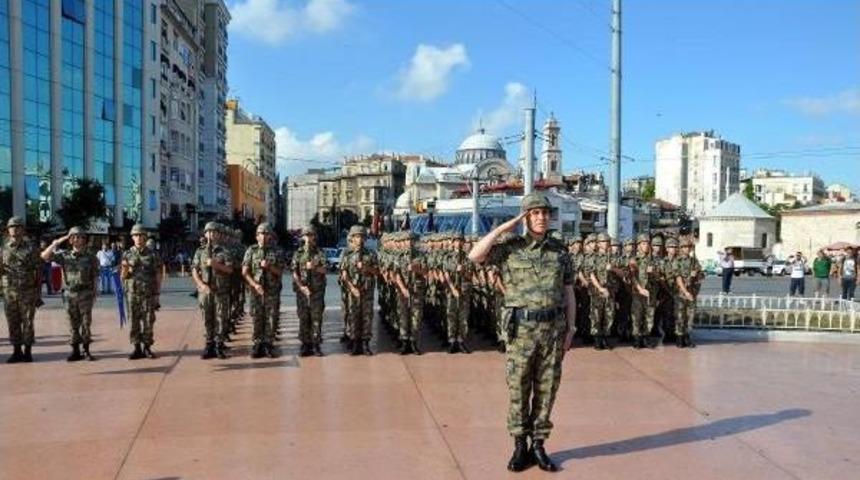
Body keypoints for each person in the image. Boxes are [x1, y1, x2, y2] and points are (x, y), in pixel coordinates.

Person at [469, 192, 575, 473]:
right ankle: (519, 446)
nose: (541, 217)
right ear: (526, 217)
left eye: (544, 213)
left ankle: (538, 445)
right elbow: (475, 255)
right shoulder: (510, 247)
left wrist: (571, 329)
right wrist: (506, 227)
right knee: (518, 389)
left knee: (547, 390)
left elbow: (568, 292)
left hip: (553, 330)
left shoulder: (559, 251)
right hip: (521, 331)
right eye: (534, 213)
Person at [41, 228, 100, 361]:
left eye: (80, 237)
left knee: (86, 323)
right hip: (69, 294)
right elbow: (44, 256)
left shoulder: (91, 257)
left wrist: (95, 292)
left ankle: (86, 350)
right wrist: (57, 241)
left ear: (84, 239)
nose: (77, 239)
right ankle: (75, 351)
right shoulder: (64, 255)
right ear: (70, 240)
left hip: (85, 293)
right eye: (74, 237)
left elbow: (95, 276)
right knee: (72, 323)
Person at [1, 216, 41, 363]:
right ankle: (16, 351)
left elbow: (38, 269)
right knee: (13, 321)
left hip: (27, 291)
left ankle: (28, 351)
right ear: (8, 230)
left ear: (23, 230)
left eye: (18, 226)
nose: (15, 229)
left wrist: (37, 291)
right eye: (12, 227)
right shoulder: (3, 248)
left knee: (28, 322)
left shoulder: (31, 248)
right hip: (9, 291)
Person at [192, 222, 233, 360]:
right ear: (205, 234)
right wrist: (201, 285)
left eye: (214, 232)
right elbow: (194, 270)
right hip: (205, 292)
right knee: (207, 319)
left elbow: (230, 269)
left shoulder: (224, 252)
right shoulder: (200, 252)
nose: (211, 235)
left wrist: (216, 265)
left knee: (221, 319)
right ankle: (209, 344)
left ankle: (219, 345)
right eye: (208, 232)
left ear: (218, 234)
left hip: (220, 291)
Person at [121, 224, 163, 359]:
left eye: (141, 235)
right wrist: (126, 268)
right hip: (132, 293)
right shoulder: (127, 254)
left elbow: (158, 274)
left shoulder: (152, 254)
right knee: (133, 321)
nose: (138, 238)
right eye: (136, 235)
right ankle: (136, 348)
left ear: (145, 237)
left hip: (148, 294)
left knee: (148, 321)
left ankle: (147, 347)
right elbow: (123, 276)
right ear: (132, 237)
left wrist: (157, 293)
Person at [339, 226, 377, 355]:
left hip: (367, 291)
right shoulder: (347, 254)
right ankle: (355, 344)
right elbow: (344, 275)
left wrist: (366, 268)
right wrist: (352, 288)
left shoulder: (371, 254)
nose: (359, 239)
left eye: (361, 236)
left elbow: (377, 271)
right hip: (353, 291)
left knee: (367, 317)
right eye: (356, 237)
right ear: (352, 238)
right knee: (353, 317)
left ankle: (365, 344)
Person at [291, 226, 327, 357]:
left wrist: (315, 267)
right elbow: (294, 273)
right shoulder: (298, 254)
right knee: (303, 317)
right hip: (302, 292)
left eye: (310, 235)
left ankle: (316, 344)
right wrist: (301, 287)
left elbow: (325, 269)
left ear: (314, 237)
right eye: (305, 235)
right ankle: (305, 344)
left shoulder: (319, 253)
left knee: (316, 318)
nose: (307, 238)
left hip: (317, 292)